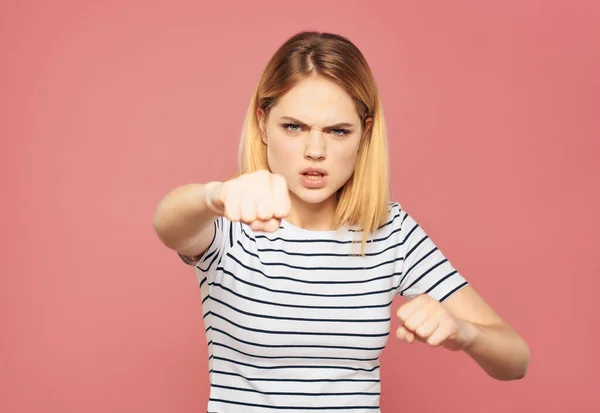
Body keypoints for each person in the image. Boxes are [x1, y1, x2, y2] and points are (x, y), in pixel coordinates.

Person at [152, 31, 530, 412]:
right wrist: (213, 196)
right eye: (294, 127)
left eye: (337, 131)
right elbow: (168, 224)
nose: (315, 151)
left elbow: (515, 359)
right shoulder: (231, 218)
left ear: (364, 134)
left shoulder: (389, 231)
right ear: (263, 123)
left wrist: (464, 334)